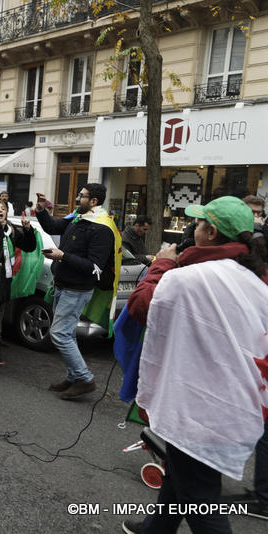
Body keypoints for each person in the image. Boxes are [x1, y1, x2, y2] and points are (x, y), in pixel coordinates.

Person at [121, 196, 268, 533]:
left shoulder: (197, 277)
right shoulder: (256, 276)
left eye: (199, 224)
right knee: (182, 469)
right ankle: (156, 528)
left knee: (201, 498)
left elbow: (142, 305)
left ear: (211, 232)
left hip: (202, 408)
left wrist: (162, 264)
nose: (193, 230)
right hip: (234, 399)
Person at [35, 184, 116, 399]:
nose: (77, 198)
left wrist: (62, 256)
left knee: (59, 334)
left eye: (82, 196)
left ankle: (84, 378)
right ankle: (72, 377)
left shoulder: (102, 228)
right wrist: (41, 210)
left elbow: (94, 267)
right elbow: (52, 227)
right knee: (67, 333)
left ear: (94, 202)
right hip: (62, 284)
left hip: (77, 290)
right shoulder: (78, 218)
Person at [0, 204, 39, 365]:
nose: (0, 211)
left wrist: (27, 230)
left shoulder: (12, 230)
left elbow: (29, 247)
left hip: (6, 278)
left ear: (7, 212)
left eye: (3, 209)